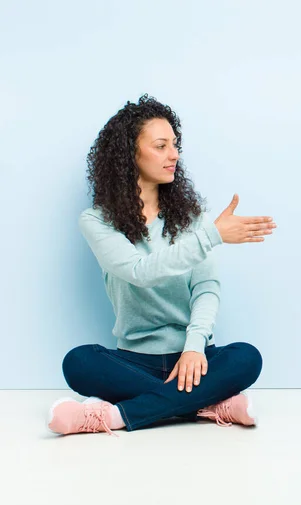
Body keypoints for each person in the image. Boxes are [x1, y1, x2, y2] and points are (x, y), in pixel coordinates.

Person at [47, 94, 277, 436]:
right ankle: (206, 404)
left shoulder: (191, 219)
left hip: (194, 358)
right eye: (161, 145)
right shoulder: (96, 222)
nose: (174, 155)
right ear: (130, 155)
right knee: (79, 363)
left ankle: (113, 417)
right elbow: (140, 272)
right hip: (135, 361)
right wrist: (210, 236)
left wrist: (194, 347)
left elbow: (206, 288)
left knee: (247, 357)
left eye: (175, 144)